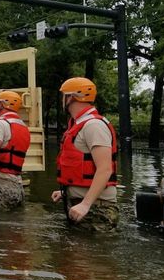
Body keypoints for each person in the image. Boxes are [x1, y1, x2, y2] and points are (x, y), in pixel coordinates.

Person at [51, 77, 119, 232]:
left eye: (64, 95)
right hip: (83, 204)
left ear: (71, 97)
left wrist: (85, 204)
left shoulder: (93, 126)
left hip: (96, 208)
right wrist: (66, 190)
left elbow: (105, 169)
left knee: (87, 255)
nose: (62, 100)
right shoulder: (79, 124)